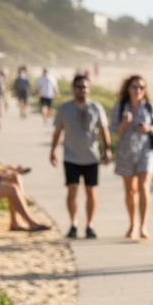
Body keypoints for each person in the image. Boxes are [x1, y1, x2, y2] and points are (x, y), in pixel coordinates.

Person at [50, 73, 111, 239]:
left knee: (91, 191)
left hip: (91, 156)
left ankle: (90, 225)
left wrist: (107, 149)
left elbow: (104, 130)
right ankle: (74, 224)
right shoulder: (64, 108)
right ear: (73, 88)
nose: (83, 90)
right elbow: (58, 131)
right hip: (71, 156)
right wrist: (53, 150)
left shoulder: (96, 108)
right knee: (72, 190)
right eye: (79, 87)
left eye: (86, 87)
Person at [112, 74, 153, 239]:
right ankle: (132, 224)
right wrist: (124, 122)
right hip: (126, 152)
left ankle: (143, 226)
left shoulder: (150, 107)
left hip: (146, 151)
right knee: (130, 191)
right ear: (128, 88)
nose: (138, 90)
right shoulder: (120, 106)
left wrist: (148, 129)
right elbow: (114, 131)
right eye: (134, 86)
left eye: (141, 87)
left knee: (144, 186)